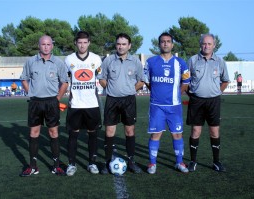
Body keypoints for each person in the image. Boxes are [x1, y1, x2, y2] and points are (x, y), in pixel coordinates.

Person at [19, 35, 69, 176]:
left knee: (53, 132)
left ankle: (56, 166)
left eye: (48, 44)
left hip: (52, 102)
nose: (46, 47)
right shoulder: (30, 62)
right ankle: (33, 166)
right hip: (35, 102)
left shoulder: (58, 63)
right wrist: (31, 93)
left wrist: (58, 98)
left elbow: (65, 82)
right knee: (34, 133)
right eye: (43, 44)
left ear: (52, 46)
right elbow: (24, 79)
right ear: (39, 45)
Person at [143, 32, 190, 174]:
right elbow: (146, 80)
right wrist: (157, 93)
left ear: (172, 44)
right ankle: (152, 164)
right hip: (156, 106)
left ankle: (179, 162)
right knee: (156, 134)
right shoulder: (151, 62)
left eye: (168, 41)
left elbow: (186, 83)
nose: (165, 43)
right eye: (163, 41)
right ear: (159, 44)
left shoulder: (181, 62)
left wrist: (175, 95)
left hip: (174, 107)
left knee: (177, 134)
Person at [98, 33, 145, 174]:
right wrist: (112, 89)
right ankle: (107, 162)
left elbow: (141, 81)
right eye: (118, 43)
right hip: (112, 100)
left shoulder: (136, 62)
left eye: (124, 44)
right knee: (109, 131)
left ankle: (131, 162)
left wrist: (130, 90)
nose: (121, 46)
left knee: (129, 130)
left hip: (129, 100)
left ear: (129, 46)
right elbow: (102, 79)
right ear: (115, 45)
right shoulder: (108, 61)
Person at [186, 33, 230, 172]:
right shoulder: (192, 60)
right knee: (195, 130)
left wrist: (217, 92)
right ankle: (193, 161)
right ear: (200, 44)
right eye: (204, 43)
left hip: (213, 102)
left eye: (209, 44)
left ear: (214, 45)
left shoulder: (220, 61)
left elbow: (225, 80)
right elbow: (186, 81)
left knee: (214, 131)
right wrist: (192, 94)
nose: (206, 46)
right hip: (196, 101)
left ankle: (216, 162)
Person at [64, 31, 102, 176]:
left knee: (93, 135)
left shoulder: (96, 59)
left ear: (89, 43)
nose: (82, 45)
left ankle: (92, 163)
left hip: (92, 104)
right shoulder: (68, 60)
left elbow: (102, 77)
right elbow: (64, 79)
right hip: (75, 104)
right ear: (75, 43)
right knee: (73, 135)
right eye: (79, 42)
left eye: (85, 42)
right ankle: (71, 164)